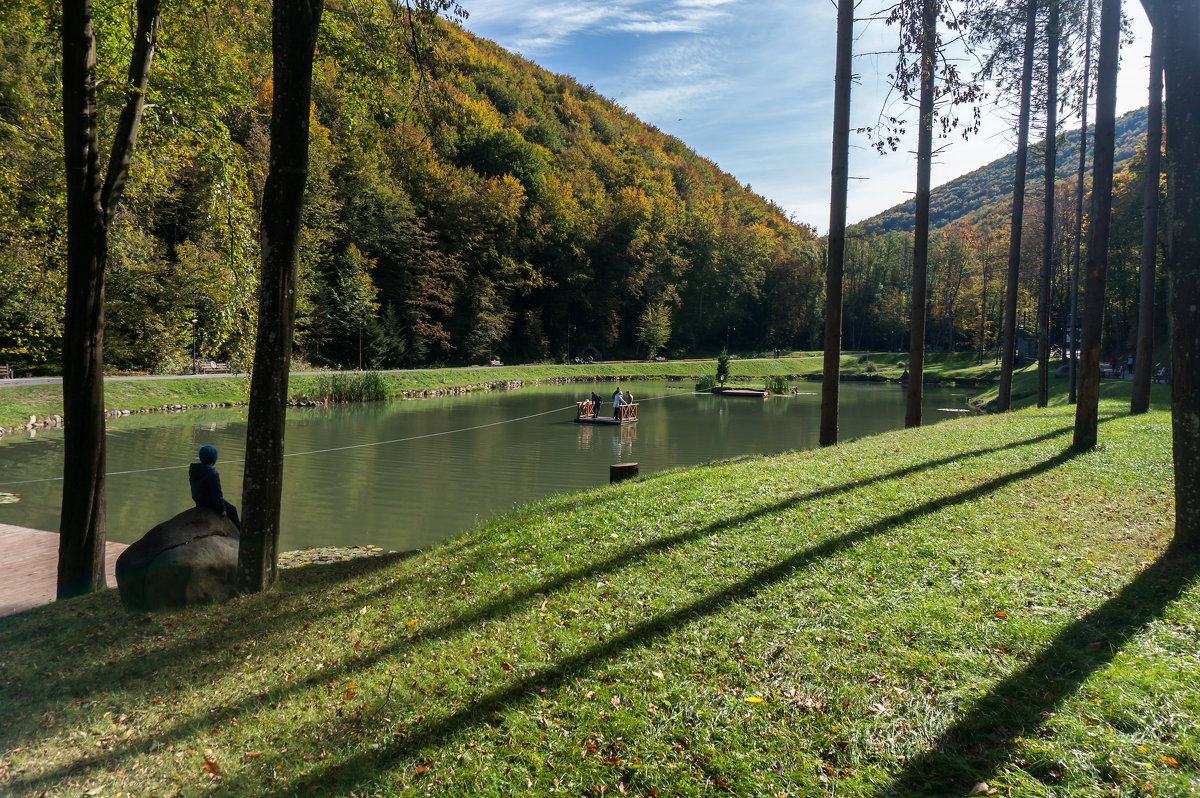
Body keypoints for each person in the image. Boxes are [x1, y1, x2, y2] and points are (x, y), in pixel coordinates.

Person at [190, 445, 241, 530]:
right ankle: (239, 530)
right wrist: (222, 509)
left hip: (198, 499)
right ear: (214, 460)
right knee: (232, 509)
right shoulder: (213, 474)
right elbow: (217, 494)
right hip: (209, 502)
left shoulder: (193, 469)